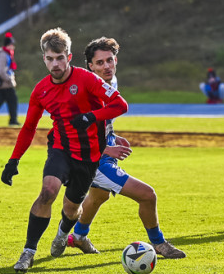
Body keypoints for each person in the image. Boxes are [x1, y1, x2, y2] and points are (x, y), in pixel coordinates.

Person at [0, 27, 129, 273]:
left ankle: (62, 232)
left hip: (90, 155)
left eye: (60, 58)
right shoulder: (40, 90)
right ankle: (28, 252)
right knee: (48, 191)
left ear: (68, 57)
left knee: (72, 209)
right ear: (44, 59)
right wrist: (13, 160)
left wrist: (91, 117)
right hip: (60, 148)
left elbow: (120, 105)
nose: (55, 63)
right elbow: (28, 128)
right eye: (50, 59)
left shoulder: (88, 79)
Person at [62, 37, 186, 259]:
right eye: (100, 63)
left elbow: (101, 120)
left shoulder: (111, 82)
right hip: (94, 159)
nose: (106, 66)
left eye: (110, 60)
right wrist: (105, 150)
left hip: (104, 150)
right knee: (147, 195)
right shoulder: (83, 91)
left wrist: (112, 137)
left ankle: (79, 236)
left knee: (99, 196)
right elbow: (72, 132)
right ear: (89, 66)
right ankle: (158, 243)